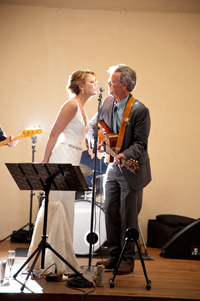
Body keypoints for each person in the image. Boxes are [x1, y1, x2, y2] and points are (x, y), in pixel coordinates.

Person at [27, 70, 98, 274]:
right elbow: (54, 134)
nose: (95, 85)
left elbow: (80, 135)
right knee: (57, 205)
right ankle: (50, 262)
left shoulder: (83, 107)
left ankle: (61, 260)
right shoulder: (72, 104)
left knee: (67, 209)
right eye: (92, 82)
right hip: (62, 157)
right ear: (81, 86)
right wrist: (45, 161)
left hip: (73, 158)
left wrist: (91, 149)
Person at [86, 64, 151, 275]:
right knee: (111, 213)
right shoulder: (106, 102)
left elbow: (141, 143)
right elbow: (93, 126)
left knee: (128, 216)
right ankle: (114, 255)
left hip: (132, 170)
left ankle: (128, 259)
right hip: (110, 168)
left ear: (124, 85)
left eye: (112, 82)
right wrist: (95, 140)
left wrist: (125, 155)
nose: (108, 85)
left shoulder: (140, 110)